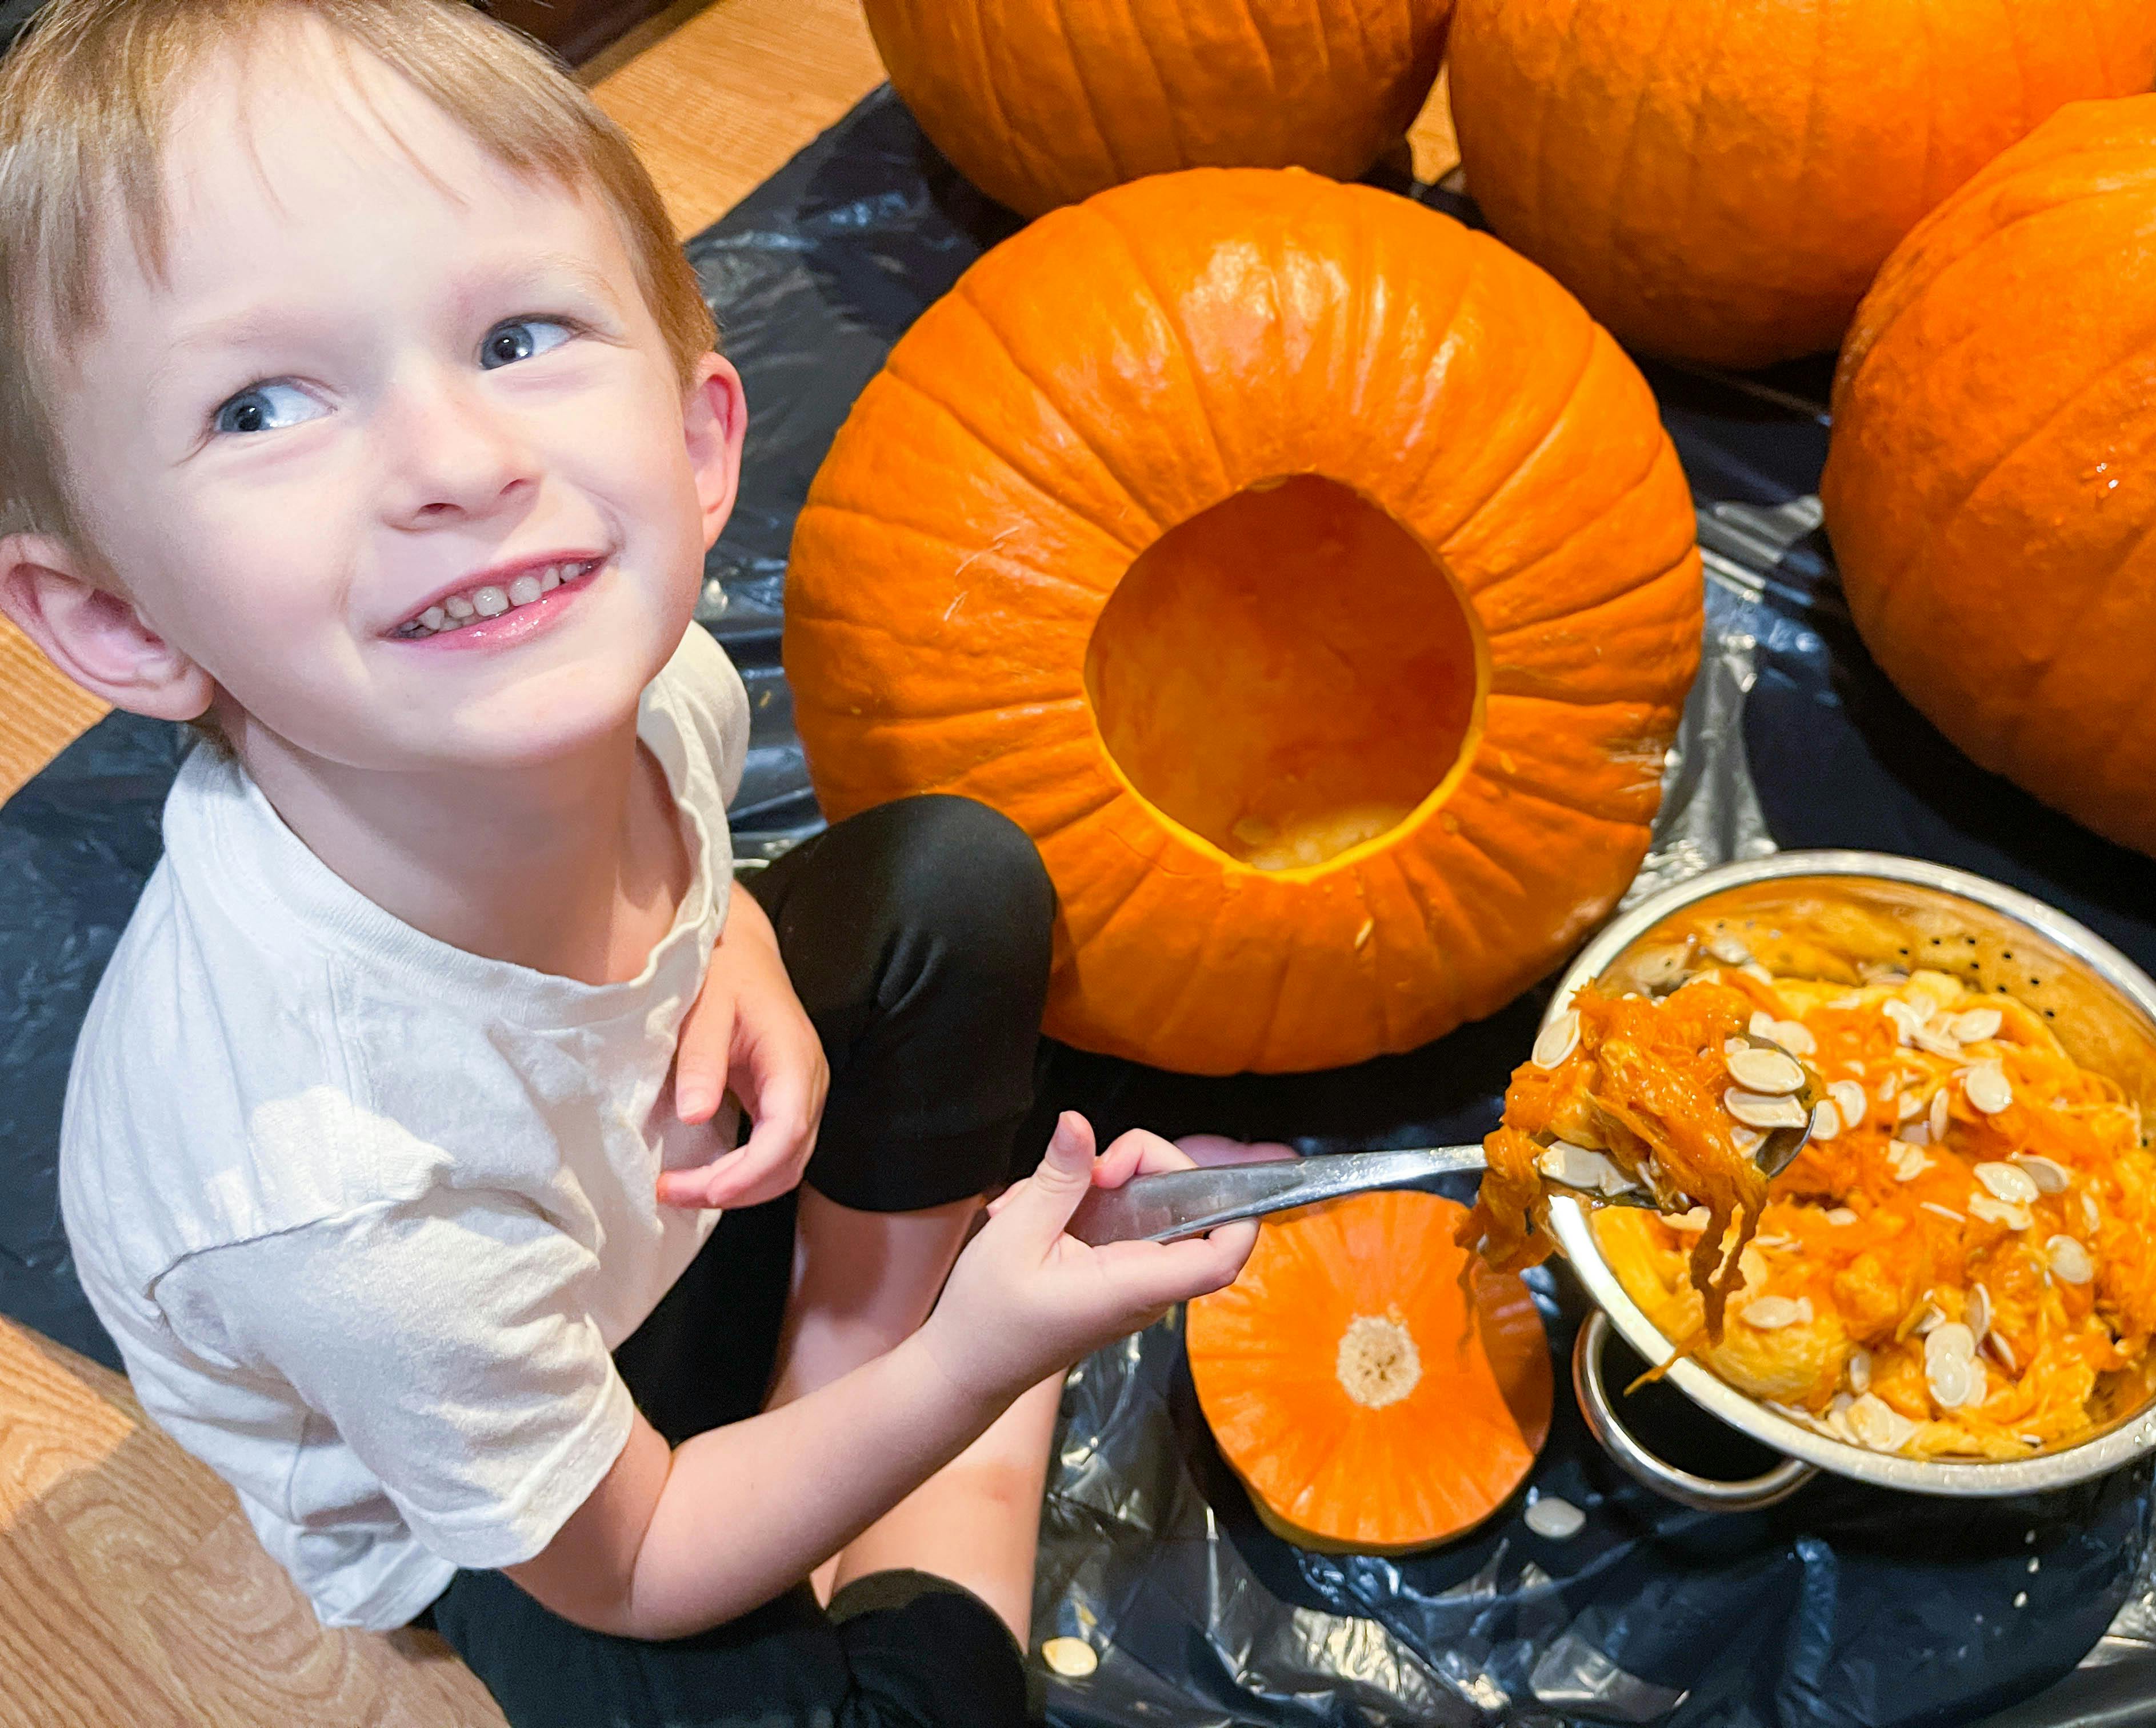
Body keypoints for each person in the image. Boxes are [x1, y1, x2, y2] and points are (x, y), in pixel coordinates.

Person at [0, 2, 1278, 1722]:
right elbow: (641, 1557)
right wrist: (985, 1362)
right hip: (515, 1474)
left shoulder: (646, 678)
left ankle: (870, 1362)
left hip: (652, 1196)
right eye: (262, 406)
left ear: (694, 442)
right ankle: (942, 1416)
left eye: (516, 335)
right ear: (117, 619)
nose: (461, 465)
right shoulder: (334, 1197)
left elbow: (699, 858)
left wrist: (731, 930)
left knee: (957, 882)